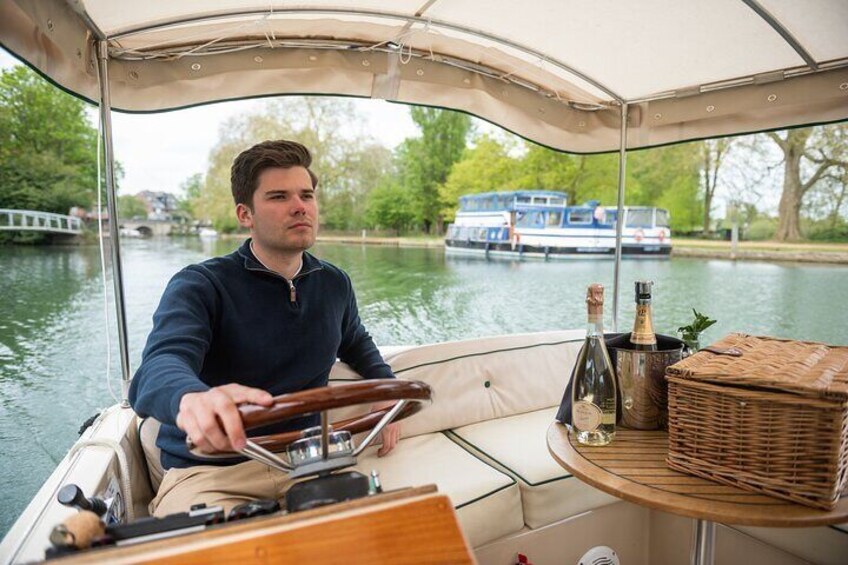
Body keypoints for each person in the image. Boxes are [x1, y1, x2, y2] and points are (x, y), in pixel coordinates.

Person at [129, 140, 399, 516]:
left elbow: (354, 340)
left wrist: (385, 387)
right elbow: (160, 365)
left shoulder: (335, 283)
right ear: (245, 214)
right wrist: (193, 399)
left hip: (308, 459)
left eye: (307, 194)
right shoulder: (201, 285)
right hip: (213, 471)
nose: (299, 206)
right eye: (278, 196)